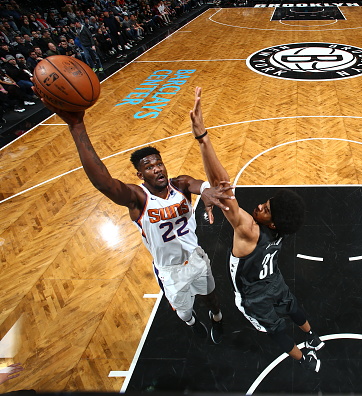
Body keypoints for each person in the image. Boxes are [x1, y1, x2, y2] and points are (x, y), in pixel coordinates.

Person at [34, 91, 230, 345]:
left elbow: (196, 183)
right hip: (169, 271)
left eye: (158, 163)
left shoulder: (179, 185)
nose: (157, 168)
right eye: (149, 166)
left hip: (195, 257)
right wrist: (76, 126)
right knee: (183, 312)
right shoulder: (138, 197)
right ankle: (193, 324)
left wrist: (206, 191)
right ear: (140, 174)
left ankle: (217, 317)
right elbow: (104, 183)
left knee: (210, 295)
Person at [190, 87, 325, 372]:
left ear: (272, 223)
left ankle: (304, 360)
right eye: (264, 202)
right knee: (291, 304)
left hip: (253, 295)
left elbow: (223, 186)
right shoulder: (284, 228)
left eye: (266, 209)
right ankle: (313, 336)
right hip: (273, 278)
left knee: (274, 328)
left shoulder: (249, 230)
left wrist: (203, 139)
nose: (260, 207)